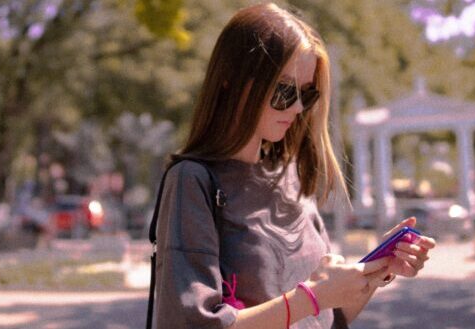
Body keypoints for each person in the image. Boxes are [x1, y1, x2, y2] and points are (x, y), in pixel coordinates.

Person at [150, 3, 436, 329]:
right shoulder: (193, 181)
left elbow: (330, 319)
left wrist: (378, 269)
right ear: (231, 80)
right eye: (284, 90)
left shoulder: (290, 176)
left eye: (307, 93)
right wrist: (314, 297)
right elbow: (194, 324)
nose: (299, 107)